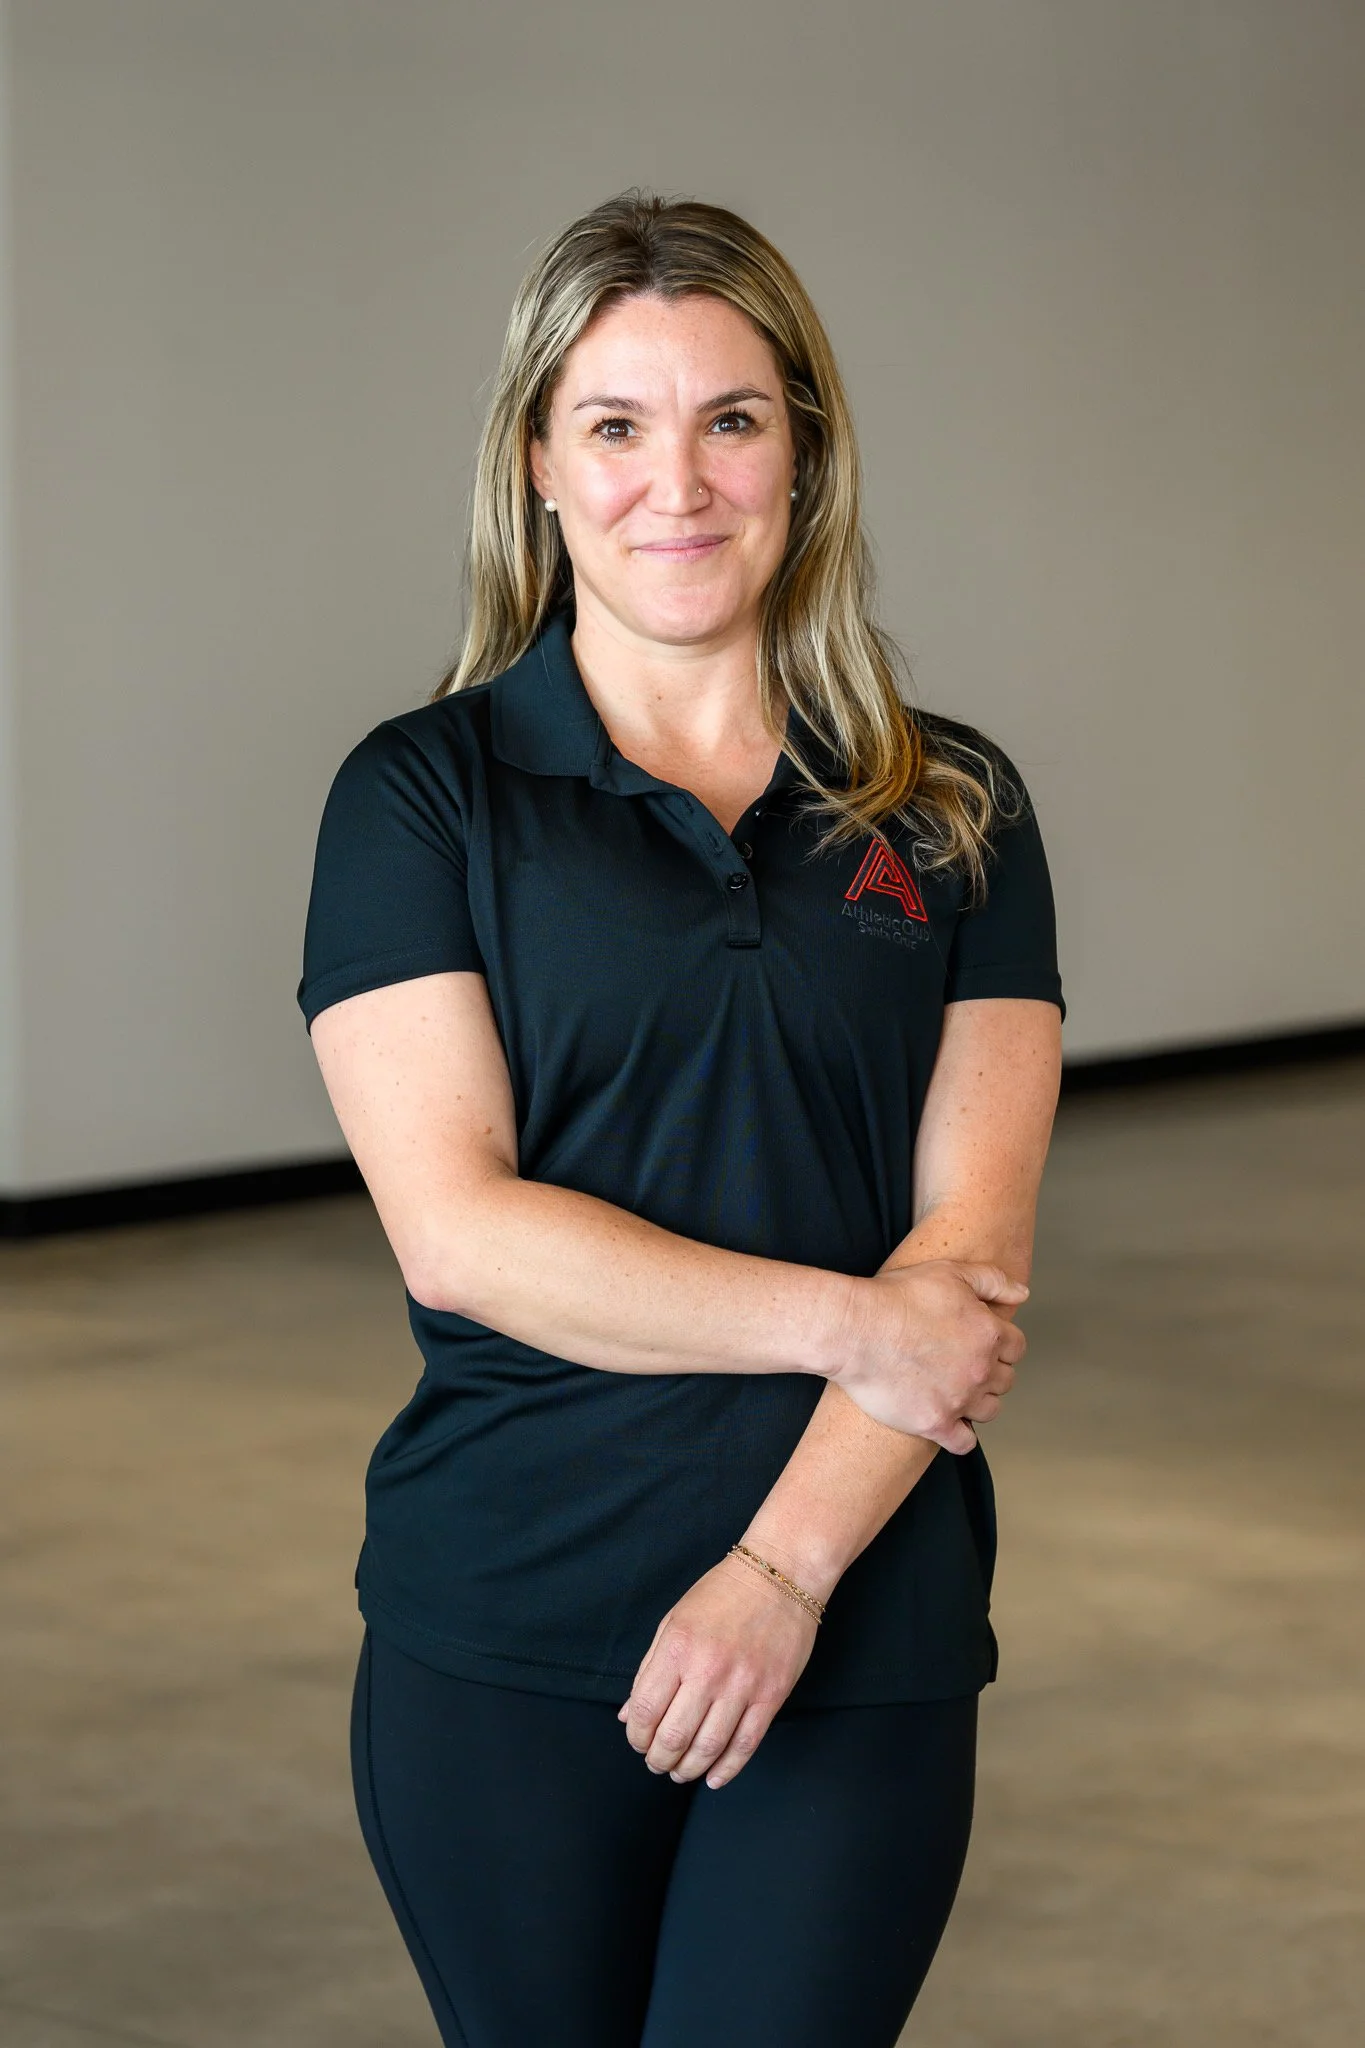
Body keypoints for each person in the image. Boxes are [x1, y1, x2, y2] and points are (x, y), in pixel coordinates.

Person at [298, 190, 1063, 2048]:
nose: (681, 482)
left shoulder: (951, 804)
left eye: (732, 419)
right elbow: (459, 1236)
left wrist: (782, 1573)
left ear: (803, 451)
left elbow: (970, 1264)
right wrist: (850, 1323)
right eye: (616, 427)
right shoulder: (424, 799)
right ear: (539, 469)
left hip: (857, 1611)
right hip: (511, 1620)